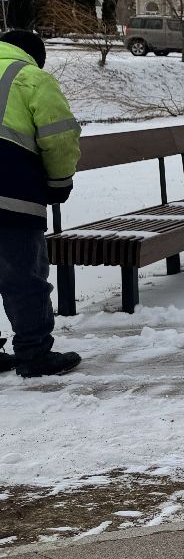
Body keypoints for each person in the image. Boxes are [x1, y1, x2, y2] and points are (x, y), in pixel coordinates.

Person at [0, 29, 82, 378]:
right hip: (10, 190)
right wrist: (59, 184)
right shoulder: (30, 77)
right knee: (23, 274)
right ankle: (33, 353)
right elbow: (59, 137)